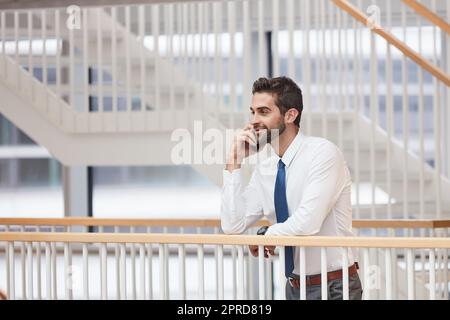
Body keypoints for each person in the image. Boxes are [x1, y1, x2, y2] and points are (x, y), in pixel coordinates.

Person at [221, 76, 362, 300]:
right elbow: (232, 224)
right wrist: (234, 159)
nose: (254, 120)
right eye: (253, 112)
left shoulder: (323, 153)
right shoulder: (265, 167)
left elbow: (308, 222)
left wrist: (267, 235)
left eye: (264, 112)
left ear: (290, 115)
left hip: (335, 286)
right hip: (295, 286)